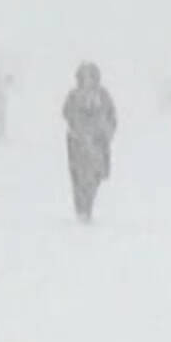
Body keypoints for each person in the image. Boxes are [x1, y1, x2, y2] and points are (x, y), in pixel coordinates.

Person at [62, 62, 119, 222]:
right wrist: (76, 126)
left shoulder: (103, 95)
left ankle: (88, 204)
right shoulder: (74, 95)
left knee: (96, 175)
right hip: (78, 144)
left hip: (98, 143)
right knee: (79, 177)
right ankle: (82, 208)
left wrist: (108, 131)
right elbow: (66, 112)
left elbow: (112, 115)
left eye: (91, 76)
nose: (88, 80)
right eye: (84, 77)